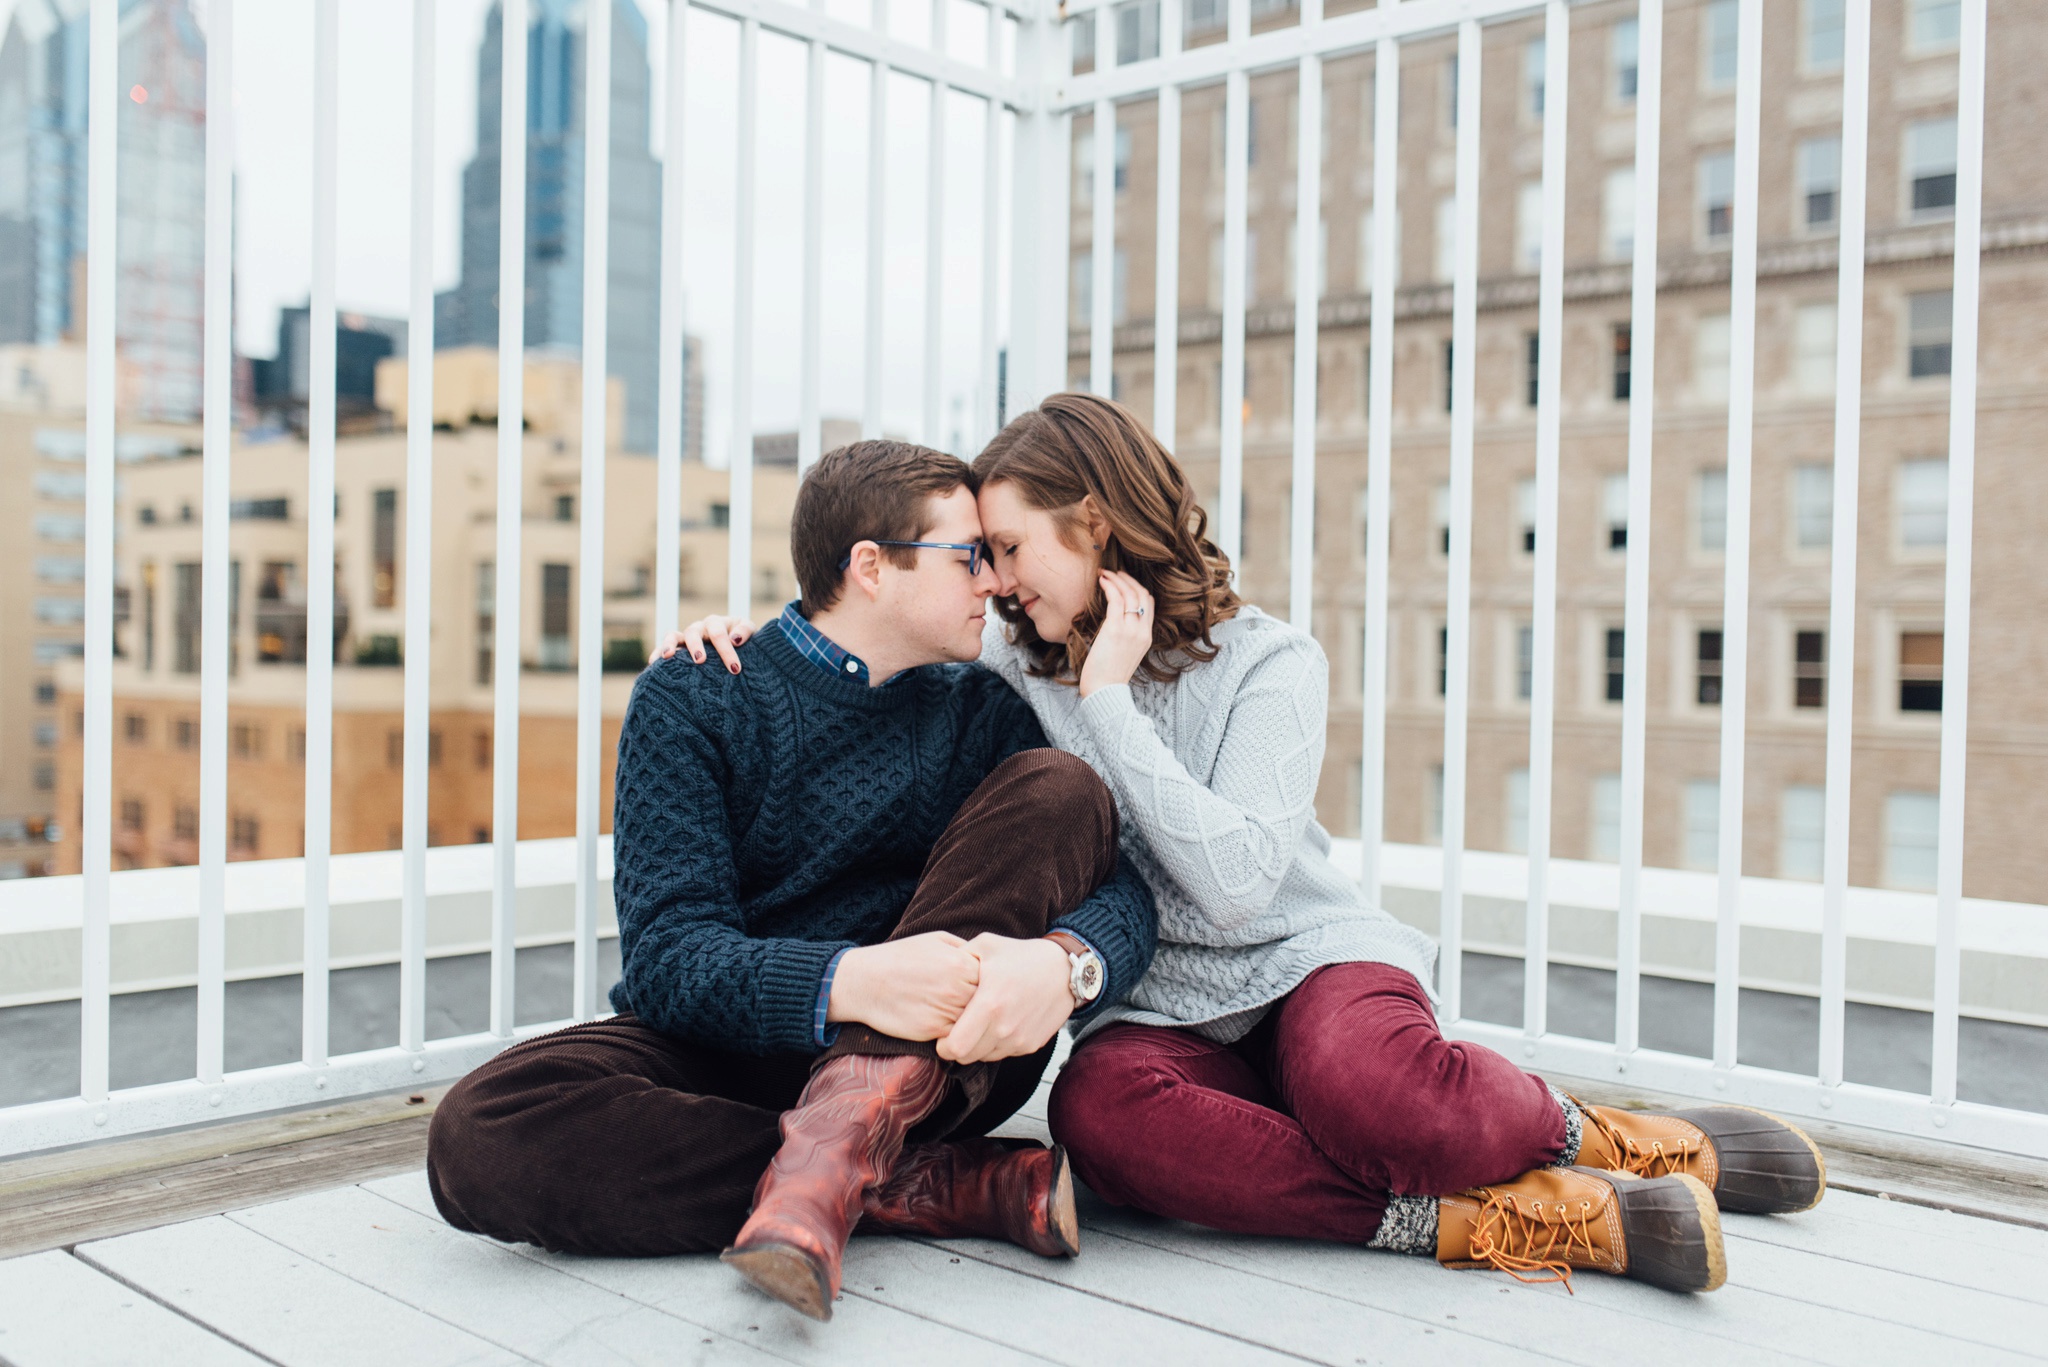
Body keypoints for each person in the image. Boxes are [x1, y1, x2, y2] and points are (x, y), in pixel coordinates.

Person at [664, 393, 1827, 1296]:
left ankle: (1592, 1132)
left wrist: (1111, 701)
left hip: (1303, 958)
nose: (998, 582)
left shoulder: (1272, 662)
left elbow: (1230, 888)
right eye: (983, 557)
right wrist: (744, 636)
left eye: (1010, 547)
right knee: (1102, 1128)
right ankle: (1478, 1220)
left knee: (1380, 1101)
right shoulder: (1011, 662)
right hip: (1158, 1008)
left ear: (1095, 525)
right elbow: (873, 623)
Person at [426, 439, 1157, 1323]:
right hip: (726, 1050)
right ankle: (922, 1182)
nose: (992, 583)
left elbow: (1123, 893)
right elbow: (667, 957)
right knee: (478, 1132)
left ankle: (840, 1155)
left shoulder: (981, 713)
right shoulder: (696, 695)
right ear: (870, 568)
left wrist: (1068, 964)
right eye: (967, 557)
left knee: (1062, 787)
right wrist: (854, 979)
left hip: (935, 1066)